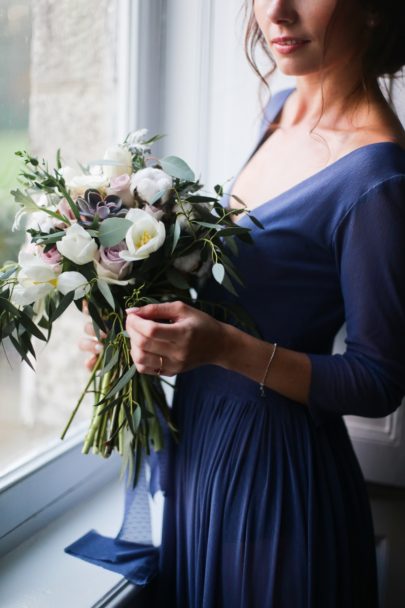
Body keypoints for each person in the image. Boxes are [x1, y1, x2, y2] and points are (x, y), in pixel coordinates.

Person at [80, 0, 405, 605]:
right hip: (204, 436)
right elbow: (246, 285)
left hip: (276, 473)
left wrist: (223, 347)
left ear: (375, 10)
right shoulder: (281, 108)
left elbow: (379, 379)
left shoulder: (378, 179)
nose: (275, 12)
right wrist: (136, 324)